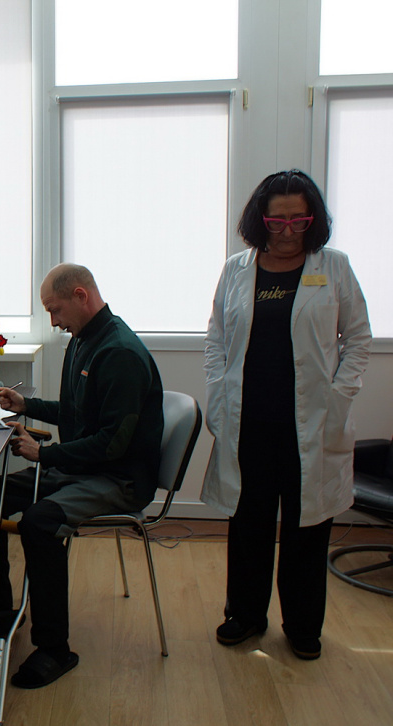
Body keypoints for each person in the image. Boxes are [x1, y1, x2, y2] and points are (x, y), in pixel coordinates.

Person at [202, 170, 371, 660]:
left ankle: (302, 626)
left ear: (314, 219)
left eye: (300, 219)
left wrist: (339, 395)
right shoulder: (237, 269)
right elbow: (216, 339)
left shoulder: (333, 267)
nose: (289, 230)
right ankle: (245, 615)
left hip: (311, 425)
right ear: (261, 219)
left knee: (307, 528)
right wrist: (217, 393)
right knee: (249, 523)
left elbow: (358, 338)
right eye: (278, 220)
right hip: (250, 422)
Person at [0, 263, 163, 689]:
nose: (53, 321)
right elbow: (75, 413)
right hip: (85, 467)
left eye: (55, 310)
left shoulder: (119, 353)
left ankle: (54, 649)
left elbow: (112, 444)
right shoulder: (84, 341)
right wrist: (26, 406)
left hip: (118, 479)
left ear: (81, 296)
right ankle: (1, 612)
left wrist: (45, 455)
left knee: (39, 523)